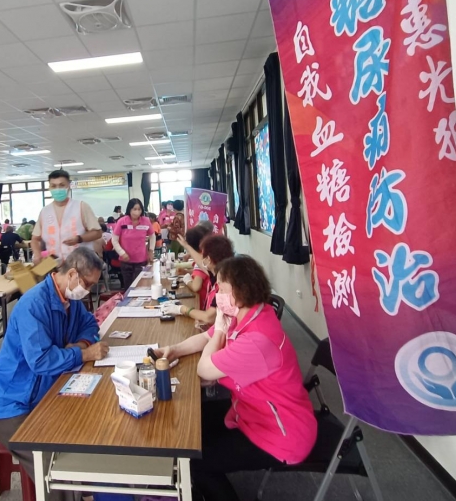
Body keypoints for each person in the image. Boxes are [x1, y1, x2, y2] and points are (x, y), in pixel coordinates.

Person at [157, 256, 317, 501]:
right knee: (191, 427)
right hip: (250, 410)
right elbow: (205, 338)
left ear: (240, 292)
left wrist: (219, 331)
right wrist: (174, 350)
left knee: (195, 460)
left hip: (280, 434)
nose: (217, 295)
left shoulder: (257, 339)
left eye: (222, 289)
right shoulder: (247, 313)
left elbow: (204, 369)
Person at [0, 248, 108, 499]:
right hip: (13, 405)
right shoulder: (34, 304)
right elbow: (40, 361)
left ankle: (87, 490)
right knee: (54, 464)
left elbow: (89, 324)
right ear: (72, 274)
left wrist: (81, 344)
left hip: (45, 393)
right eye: (87, 284)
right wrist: (82, 354)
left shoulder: (70, 301)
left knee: (89, 431)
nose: (87, 291)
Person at [30, 170, 101, 264]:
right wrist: (37, 254)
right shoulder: (45, 211)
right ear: (49, 188)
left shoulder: (81, 206)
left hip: (80, 263)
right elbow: (35, 239)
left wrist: (79, 238)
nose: (57, 189)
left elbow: (97, 233)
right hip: (54, 264)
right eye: (53, 186)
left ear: (69, 186)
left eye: (61, 185)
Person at [163, 235, 234, 324]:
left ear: (208, 259)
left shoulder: (223, 286)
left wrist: (182, 309)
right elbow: (201, 262)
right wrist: (186, 245)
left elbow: (208, 317)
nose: (201, 258)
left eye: (203, 255)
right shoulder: (218, 272)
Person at [112, 198, 155, 288]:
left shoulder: (146, 221)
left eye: (139, 209)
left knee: (141, 286)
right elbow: (114, 240)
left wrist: (151, 250)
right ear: (130, 209)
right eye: (134, 209)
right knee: (129, 288)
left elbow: (152, 236)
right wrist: (122, 253)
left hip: (141, 261)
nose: (137, 212)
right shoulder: (122, 221)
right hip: (126, 261)